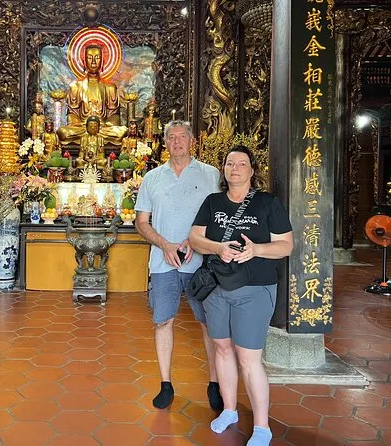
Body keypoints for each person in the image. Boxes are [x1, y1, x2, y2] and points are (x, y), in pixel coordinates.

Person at [188, 145, 293, 446]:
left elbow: (286, 245)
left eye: (242, 163)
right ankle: (230, 410)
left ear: (252, 170)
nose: (235, 168)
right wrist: (218, 248)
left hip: (255, 288)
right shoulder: (213, 202)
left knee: (248, 358)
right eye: (230, 163)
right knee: (222, 348)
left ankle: (262, 427)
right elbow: (195, 238)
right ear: (223, 169)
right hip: (217, 289)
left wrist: (256, 250)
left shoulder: (267, 203)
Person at [134, 120, 223, 410]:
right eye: (171, 137)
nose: (177, 141)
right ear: (165, 143)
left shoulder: (210, 174)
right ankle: (165, 384)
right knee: (163, 321)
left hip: (200, 263)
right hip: (164, 262)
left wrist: (194, 241)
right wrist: (165, 245)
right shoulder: (153, 178)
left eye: (182, 136)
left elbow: (220, 217)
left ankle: (214, 383)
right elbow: (141, 222)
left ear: (192, 140)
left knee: (208, 323)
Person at [57, 45, 127, 145]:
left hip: (102, 128)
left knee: (122, 132)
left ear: (102, 61)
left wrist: (105, 125)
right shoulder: (76, 86)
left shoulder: (110, 87)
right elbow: (72, 114)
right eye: (89, 58)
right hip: (83, 127)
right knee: (63, 132)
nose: (93, 62)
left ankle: (94, 135)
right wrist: (81, 124)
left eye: (97, 58)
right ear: (84, 61)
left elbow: (114, 116)